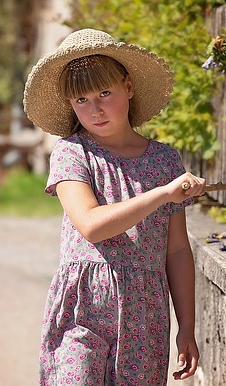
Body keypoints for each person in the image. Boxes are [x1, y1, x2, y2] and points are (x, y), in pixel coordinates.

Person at [23, 28, 205, 385]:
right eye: (82, 100)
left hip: (145, 312)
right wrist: (162, 194)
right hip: (83, 308)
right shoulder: (72, 153)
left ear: (129, 87)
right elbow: (91, 224)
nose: (95, 109)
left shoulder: (165, 161)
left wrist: (187, 327)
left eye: (105, 93)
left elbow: (178, 251)